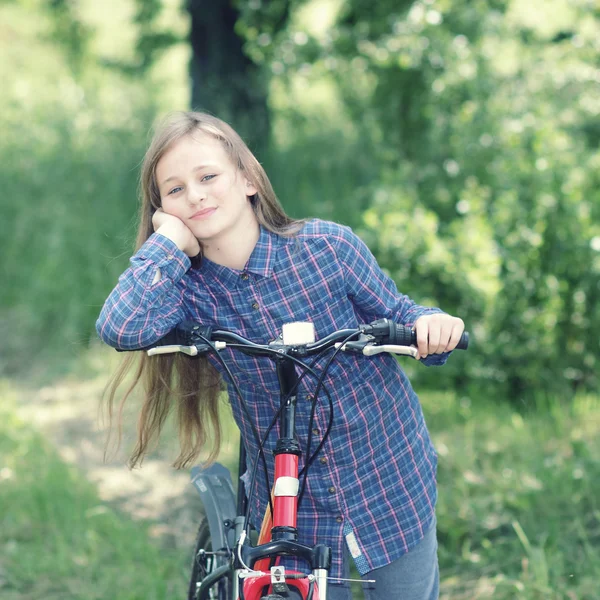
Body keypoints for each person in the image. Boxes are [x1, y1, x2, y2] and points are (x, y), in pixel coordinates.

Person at [96, 111, 464, 600]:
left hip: (387, 476)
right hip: (290, 500)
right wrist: (167, 244)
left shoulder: (327, 248)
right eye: (175, 190)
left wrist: (431, 326)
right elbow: (120, 326)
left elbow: (400, 312)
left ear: (247, 179)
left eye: (208, 176)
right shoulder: (186, 293)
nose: (196, 194)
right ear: (161, 207)